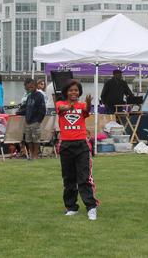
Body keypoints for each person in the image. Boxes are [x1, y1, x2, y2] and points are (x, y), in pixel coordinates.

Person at [57, 79, 99, 220]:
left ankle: (91, 207)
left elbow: (87, 110)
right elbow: (61, 109)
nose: (73, 92)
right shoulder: (60, 104)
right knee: (68, 178)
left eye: (76, 90)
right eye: (71, 90)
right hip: (66, 145)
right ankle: (71, 207)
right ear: (66, 92)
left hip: (81, 145)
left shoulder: (81, 106)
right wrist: (70, 107)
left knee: (84, 177)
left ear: (79, 92)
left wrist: (88, 102)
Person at [24, 80, 46, 160]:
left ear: (36, 87)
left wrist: (39, 119)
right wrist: (20, 112)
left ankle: (36, 155)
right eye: (29, 87)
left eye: (32, 87)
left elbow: (42, 110)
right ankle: (31, 154)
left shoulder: (39, 96)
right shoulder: (29, 97)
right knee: (28, 139)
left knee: (36, 139)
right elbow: (27, 108)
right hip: (28, 120)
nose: (30, 89)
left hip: (35, 121)